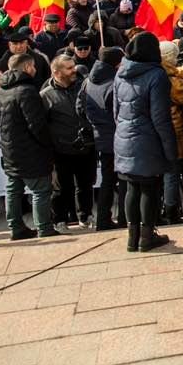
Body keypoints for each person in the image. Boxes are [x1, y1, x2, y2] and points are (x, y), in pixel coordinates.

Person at [113, 32, 179, 253]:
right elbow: (161, 118)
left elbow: (115, 111)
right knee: (149, 188)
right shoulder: (156, 75)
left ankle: (133, 237)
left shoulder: (120, 72)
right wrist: (171, 150)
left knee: (132, 186)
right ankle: (147, 236)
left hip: (124, 136)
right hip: (148, 139)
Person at [0, 53, 59, 239]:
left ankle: (15, 227)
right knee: (40, 189)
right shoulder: (27, 91)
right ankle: (44, 227)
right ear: (28, 67)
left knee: (13, 189)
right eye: (33, 67)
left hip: (9, 149)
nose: (35, 70)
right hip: (31, 150)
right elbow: (36, 124)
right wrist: (48, 145)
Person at [43, 53, 96, 228]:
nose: (74, 70)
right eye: (69, 68)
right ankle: (59, 219)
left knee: (86, 184)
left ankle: (86, 216)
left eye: (74, 66)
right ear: (57, 72)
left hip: (85, 147)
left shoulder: (84, 87)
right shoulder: (46, 95)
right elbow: (42, 123)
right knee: (61, 188)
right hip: (61, 150)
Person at [82, 46, 126, 230]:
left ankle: (103, 218)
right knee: (124, 179)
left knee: (107, 180)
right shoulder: (115, 82)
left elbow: (80, 106)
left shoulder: (87, 81)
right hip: (117, 135)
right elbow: (120, 111)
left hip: (100, 136)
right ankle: (125, 217)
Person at [159, 41, 183, 225]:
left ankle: (169, 207)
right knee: (172, 171)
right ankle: (172, 209)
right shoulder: (169, 77)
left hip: (165, 127)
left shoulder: (161, 71)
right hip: (175, 127)